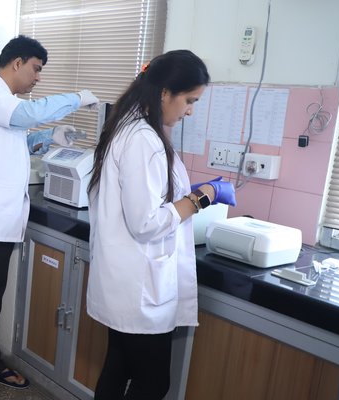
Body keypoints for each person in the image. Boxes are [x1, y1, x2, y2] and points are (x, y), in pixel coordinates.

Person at [0, 35, 99, 391]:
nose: (38, 77)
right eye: (36, 69)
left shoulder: (4, 104)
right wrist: (77, 98)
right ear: (16, 63)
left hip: (0, 221)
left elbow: (12, 139)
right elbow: (24, 116)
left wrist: (47, 139)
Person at [86, 50, 235, 399]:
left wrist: (187, 196)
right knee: (153, 383)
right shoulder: (144, 140)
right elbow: (146, 223)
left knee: (118, 367)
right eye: (189, 100)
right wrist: (203, 197)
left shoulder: (129, 128)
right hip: (140, 288)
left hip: (128, 280)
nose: (190, 111)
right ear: (165, 92)